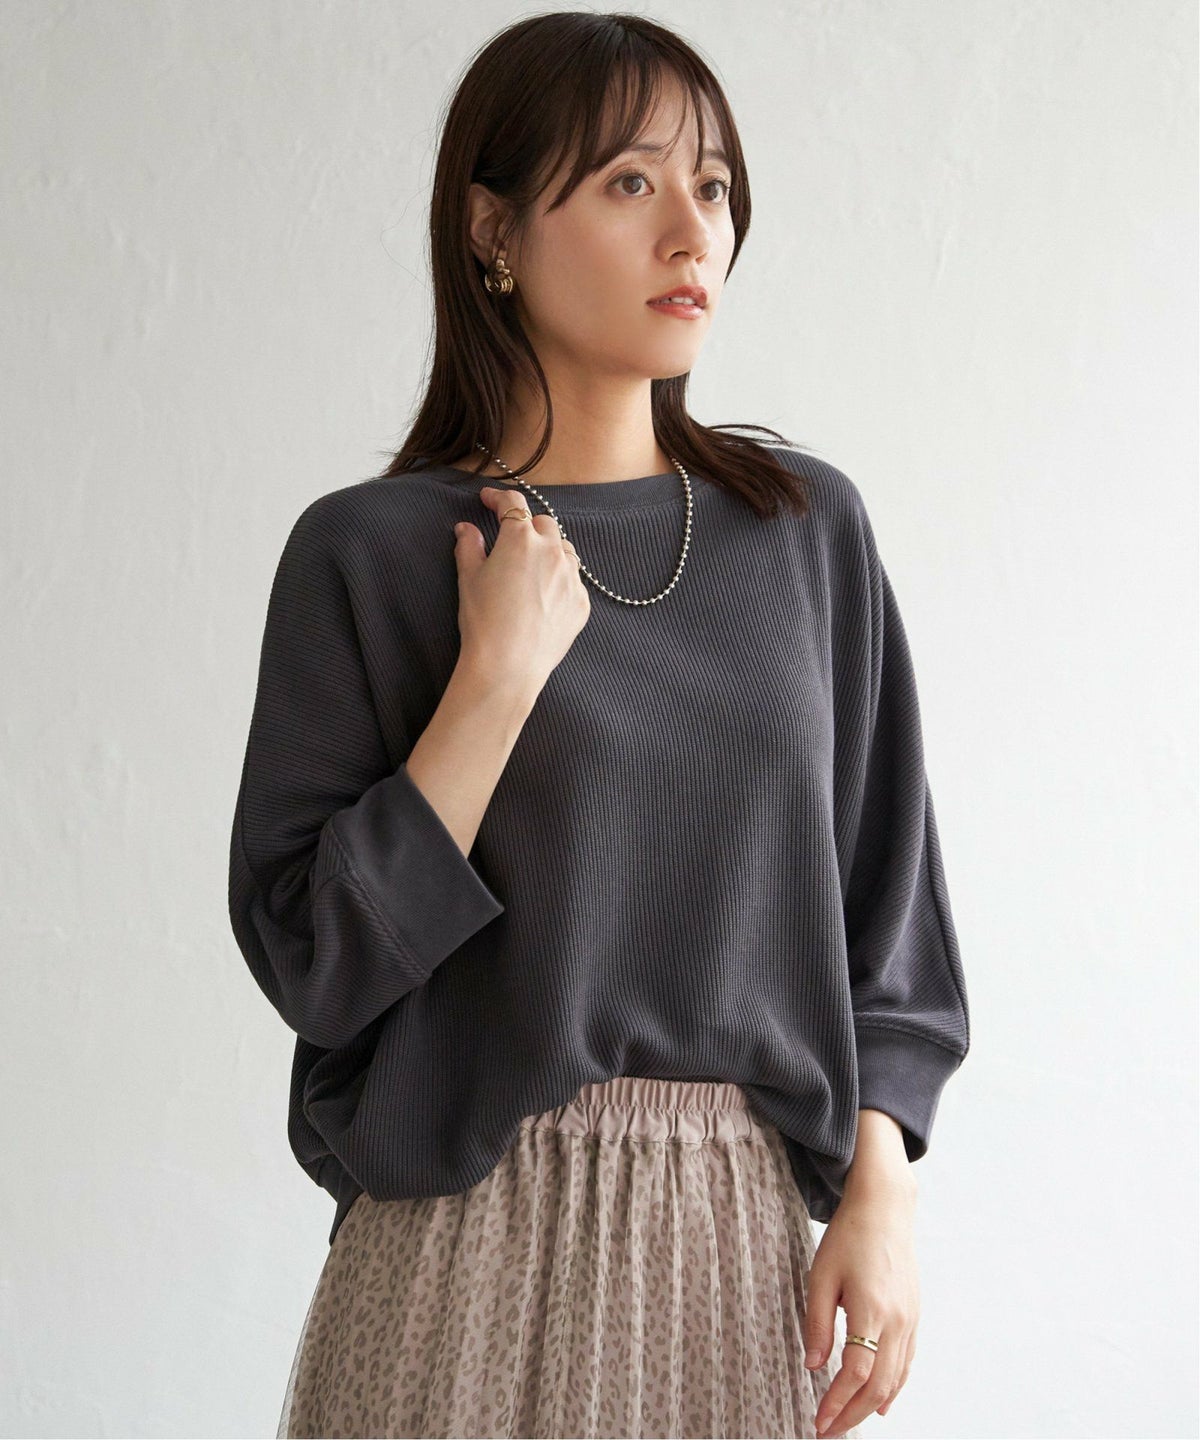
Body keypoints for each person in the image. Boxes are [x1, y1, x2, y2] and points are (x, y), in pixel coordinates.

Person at [227, 12, 970, 1439]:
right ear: (492, 231)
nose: (695, 232)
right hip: (453, 1253)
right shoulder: (371, 555)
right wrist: (493, 685)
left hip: (735, 1259)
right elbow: (319, 963)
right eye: (632, 182)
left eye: (715, 185)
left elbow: (890, 921)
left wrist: (881, 1191)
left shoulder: (800, 533)